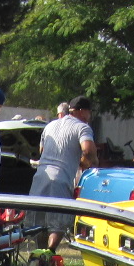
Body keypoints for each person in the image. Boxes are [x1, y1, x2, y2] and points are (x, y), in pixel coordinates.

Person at [31, 96, 96, 249]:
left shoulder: (50, 125)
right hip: (60, 178)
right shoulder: (82, 127)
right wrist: (85, 162)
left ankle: (39, 255)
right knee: (58, 222)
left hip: (40, 176)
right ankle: (49, 254)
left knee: (39, 222)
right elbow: (88, 150)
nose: (89, 116)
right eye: (89, 112)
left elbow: (42, 150)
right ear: (81, 111)